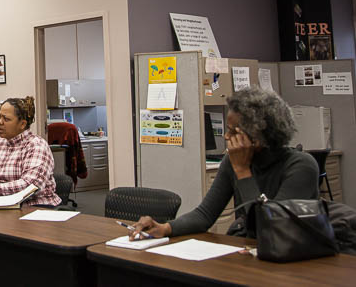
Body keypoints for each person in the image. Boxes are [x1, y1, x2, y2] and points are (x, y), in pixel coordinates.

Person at [131, 86, 318, 240]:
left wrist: (243, 171)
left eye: (233, 131)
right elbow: (204, 215)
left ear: (258, 137)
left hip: (295, 257)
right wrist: (165, 228)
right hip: (254, 253)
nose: (227, 137)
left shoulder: (301, 166)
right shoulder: (232, 161)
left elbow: (272, 227)